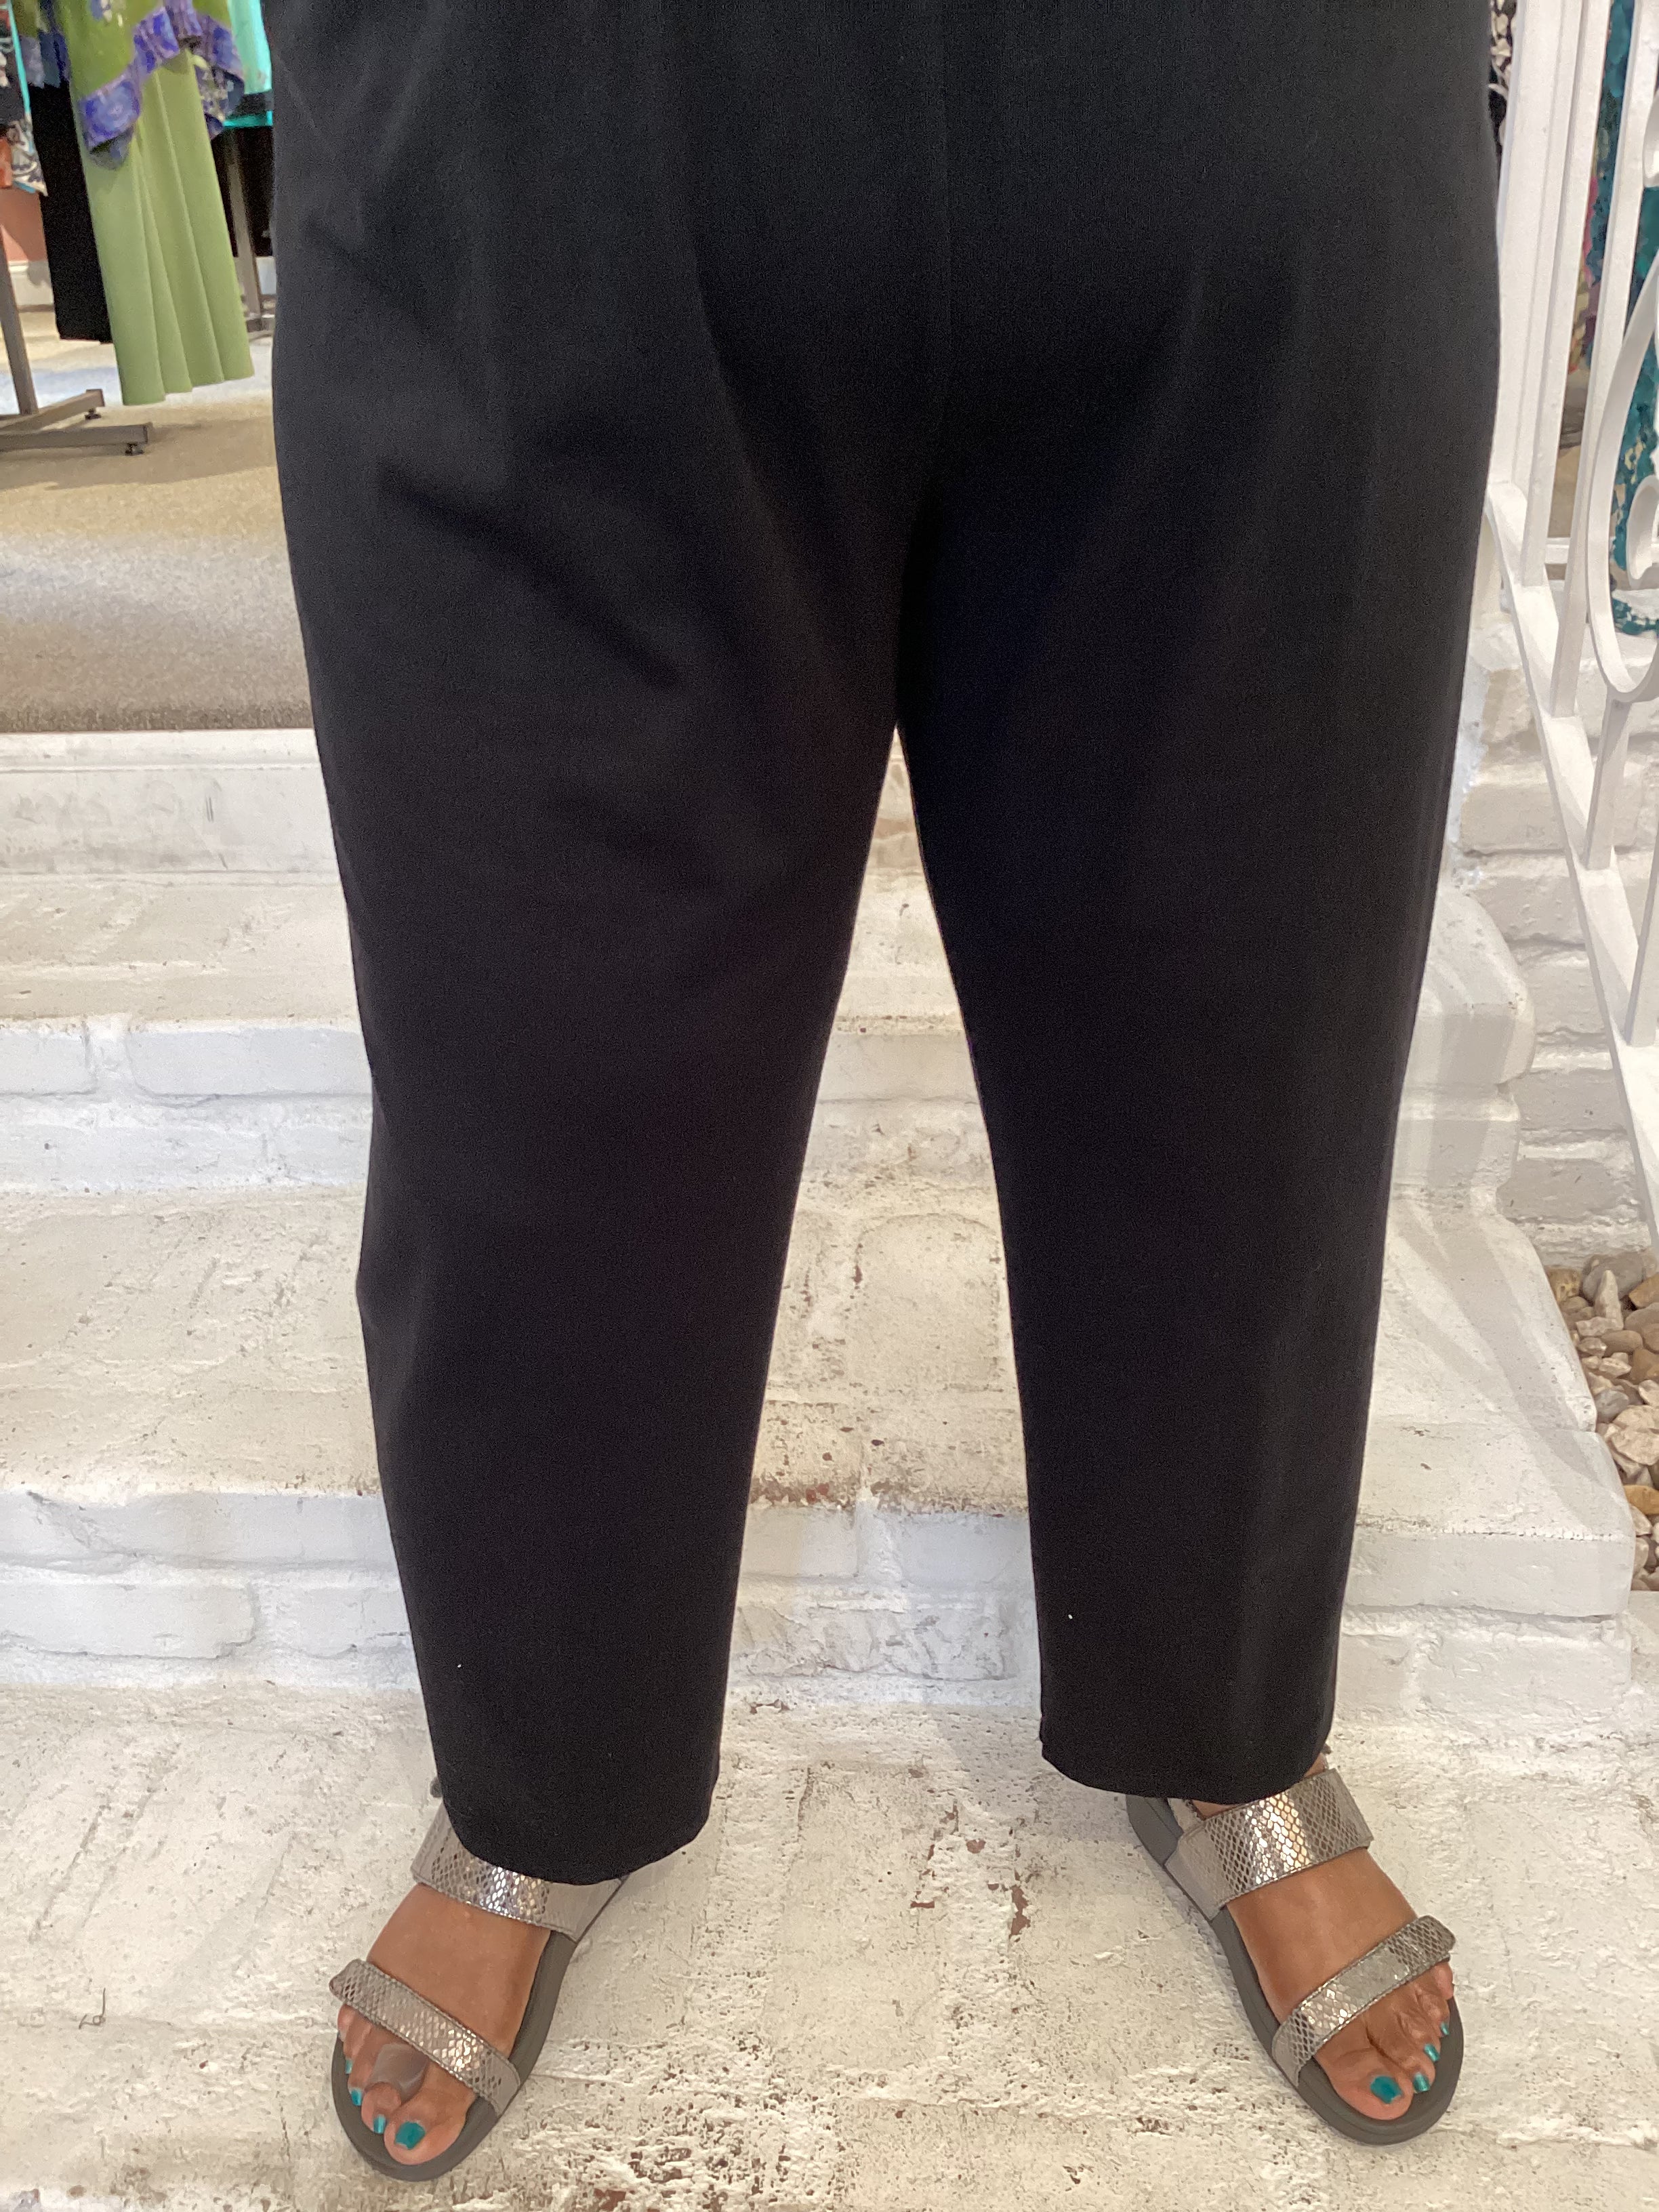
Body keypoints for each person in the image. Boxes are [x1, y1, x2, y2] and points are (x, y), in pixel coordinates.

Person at [265, 0, 1494, 2176]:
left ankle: (1225, 1720)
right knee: (536, 1067)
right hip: (540, 108)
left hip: (1247, 92)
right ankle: (543, 1770)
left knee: (1242, 1029)